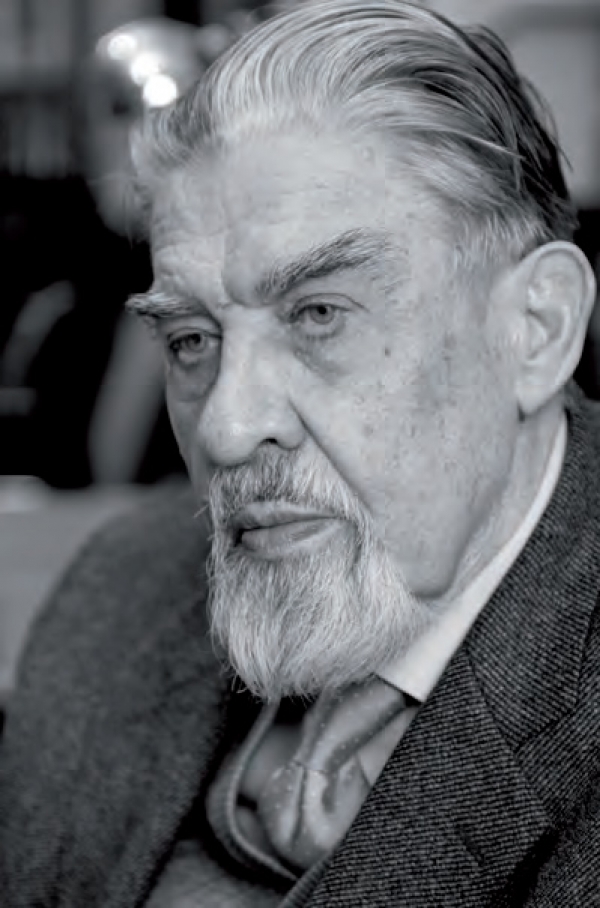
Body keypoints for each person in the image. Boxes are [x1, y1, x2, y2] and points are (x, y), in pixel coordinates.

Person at [1, 1, 599, 905]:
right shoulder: (117, 592)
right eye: (192, 340)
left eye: (319, 314)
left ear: (535, 328)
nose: (226, 428)